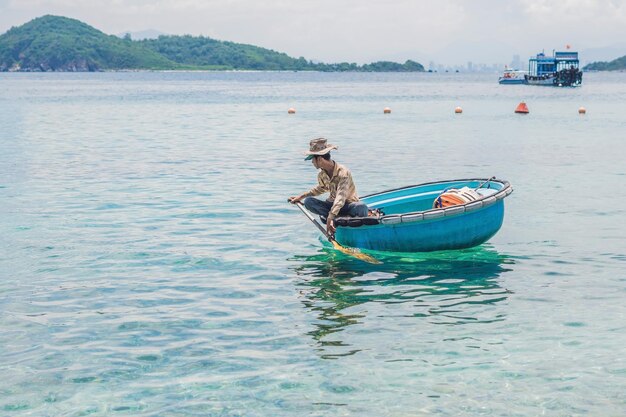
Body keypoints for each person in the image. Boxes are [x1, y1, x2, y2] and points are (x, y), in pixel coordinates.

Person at [289, 138, 368, 237]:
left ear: (320, 159)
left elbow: (340, 198)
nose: (312, 162)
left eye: (312, 159)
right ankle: (339, 218)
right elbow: (321, 188)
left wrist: (330, 217)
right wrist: (301, 197)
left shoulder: (343, 172)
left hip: (347, 205)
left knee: (361, 207)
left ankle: (338, 218)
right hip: (332, 204)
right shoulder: (322, 174)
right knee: (308, 202)